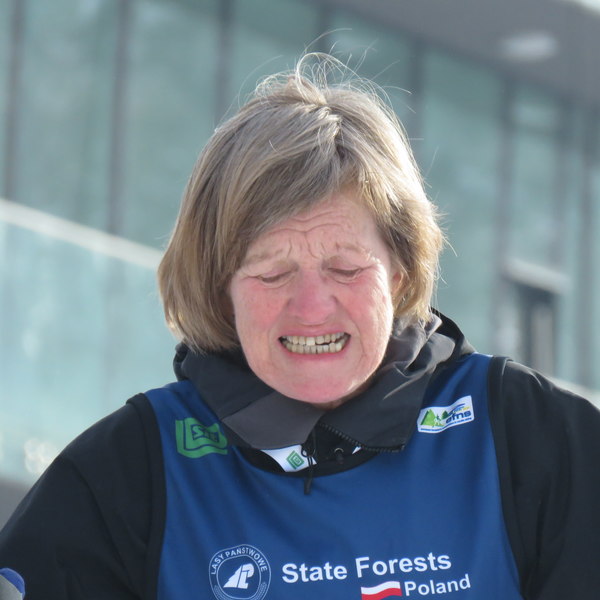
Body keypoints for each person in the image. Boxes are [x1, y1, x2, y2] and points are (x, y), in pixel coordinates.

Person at [0, 53, 599, 600]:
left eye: (345, 268)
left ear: (398, 273)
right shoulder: (130, 472)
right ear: (221, 289)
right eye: (272, 274)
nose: (312, 307)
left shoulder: (528, 437)